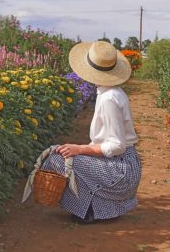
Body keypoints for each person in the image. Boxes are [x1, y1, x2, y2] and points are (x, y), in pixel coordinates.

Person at [41, 41, 141, 223]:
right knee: (64, 153)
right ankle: (95, 208)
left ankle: (88, 209)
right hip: (122, 164)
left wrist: (79, 149)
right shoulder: (111, 92)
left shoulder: (109, 98)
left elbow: (117, 146)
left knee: (57, 159)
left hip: (121, 170)